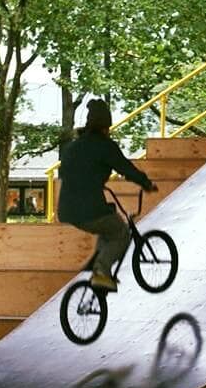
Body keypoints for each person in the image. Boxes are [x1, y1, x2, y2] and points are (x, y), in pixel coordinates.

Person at [58, 99, 157, 292]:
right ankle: (102, 271)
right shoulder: (105, 146)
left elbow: (67, 173)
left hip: (66, 209)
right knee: (120, 232)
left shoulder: (73, 147)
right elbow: (126, 168)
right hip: (88, 209)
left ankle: (97, 268)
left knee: (107, 226)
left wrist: (92, 181)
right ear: (106, 126)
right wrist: (146, 183)